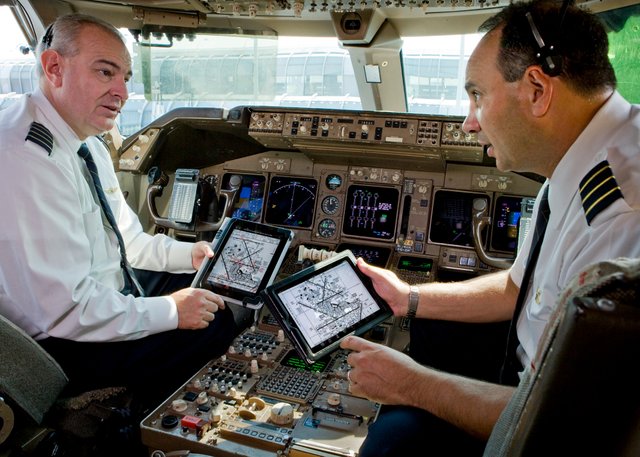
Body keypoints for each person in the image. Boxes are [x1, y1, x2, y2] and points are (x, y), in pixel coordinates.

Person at [340, 1, 640, 455]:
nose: (469, 122)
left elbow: (566, 422)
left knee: (391, 443)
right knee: (424, 327)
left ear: (538, 89)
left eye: (477, 95)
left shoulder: (619, 216)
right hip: (536, 368)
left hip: (550, 414)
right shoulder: (581, 158)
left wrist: (411, 385)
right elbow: (519, 287)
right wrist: (409, 297)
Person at [0, 14, 239, 411]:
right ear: (54, 68)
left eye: (126, 77)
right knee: (213, 324)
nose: (122, 91)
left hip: (97, 297)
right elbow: (66, 309)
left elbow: (126, 241)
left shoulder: (84, 140)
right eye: (105, 72)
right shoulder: (25, 156)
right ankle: (145, 430)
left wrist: (190, 255)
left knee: (205, 287)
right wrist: (171, 311)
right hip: (60, 341)